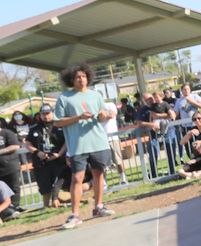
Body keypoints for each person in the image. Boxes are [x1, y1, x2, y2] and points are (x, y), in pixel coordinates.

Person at [53, 63, 115, 229]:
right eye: (77, 77)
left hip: (98, 142)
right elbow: (57, 122)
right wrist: (78, 117)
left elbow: (104, 115)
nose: (81, 79)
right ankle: (75, 215)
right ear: (71, 80)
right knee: (77, 179)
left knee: (98, 175)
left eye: (83, 76)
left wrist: (104, 115)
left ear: (88, 78)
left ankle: (99, 207)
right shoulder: (64, 98)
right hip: (77, 146)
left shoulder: (96, 95)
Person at [25, 105, 68, 208]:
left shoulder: (60, 126)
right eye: (43, 114)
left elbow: (67, 141)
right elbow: (27, 143)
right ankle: (46, 207)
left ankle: (62, 201)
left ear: (52, 113)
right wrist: (37, 152)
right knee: (44, 186)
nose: (46, 116)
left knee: (61, 182)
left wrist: (59, 154)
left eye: (48, 113)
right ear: (40, 115)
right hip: (41, 162)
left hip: (58, 160)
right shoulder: (34, 128)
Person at [101, 100, 128, 185]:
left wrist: (101, 116)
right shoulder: (94, 107)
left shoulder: (110, 104)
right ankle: (104, 183)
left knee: (118, 159)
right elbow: (97, 118)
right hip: (101, 139)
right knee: (102, 163)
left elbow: (112, 115)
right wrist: (103, 115)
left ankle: (123, 178)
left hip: (113, 137)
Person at [0, 125, 23, 213]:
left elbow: (15, 146)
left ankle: (15, 208)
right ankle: (5, 211)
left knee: (14, 188)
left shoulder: (7, 133)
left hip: (10, 167)